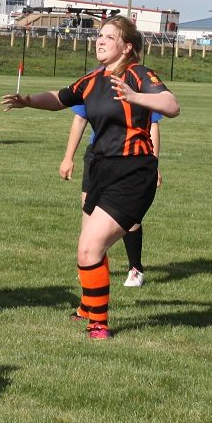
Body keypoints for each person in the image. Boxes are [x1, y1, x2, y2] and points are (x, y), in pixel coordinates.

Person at [3, 16, 180, 339]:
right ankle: (88, 306)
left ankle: (98, 323)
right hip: (100, 168)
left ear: (127, 47)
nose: (100, 41)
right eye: (99, 35)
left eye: (109, 37)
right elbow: (60, 98)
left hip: (133, 172)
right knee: (87, 247)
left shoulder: (138, 74)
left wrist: (135, 96)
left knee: (90, 247)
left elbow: (171, 104)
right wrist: (28, 101)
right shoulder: (93, 79)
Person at [59, 104, 163, 287]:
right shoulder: (94, 80)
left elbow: (153, 124)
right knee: (88, 216)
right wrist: (68, 157)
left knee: (129, 217)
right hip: (97, 156)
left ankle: (135, 269)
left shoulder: (139, 83)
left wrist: (153, 162)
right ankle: (93, 267)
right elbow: (80, 118)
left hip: (133, 156)